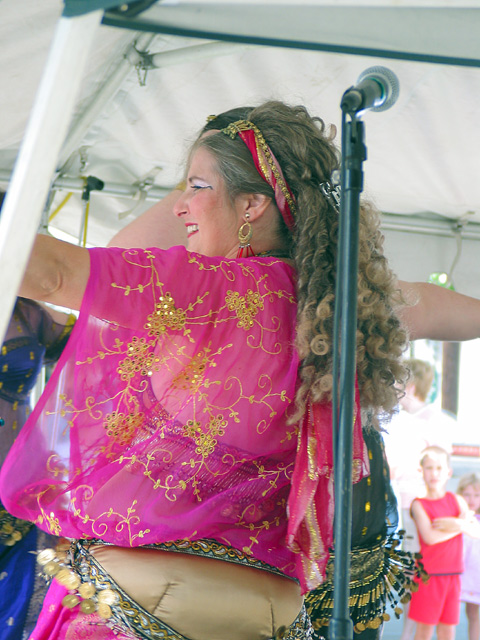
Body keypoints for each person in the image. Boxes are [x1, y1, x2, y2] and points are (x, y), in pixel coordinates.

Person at [2, 101, 480, 640]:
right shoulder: (342, 306)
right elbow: (447, 308)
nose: (182, 205)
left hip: (139, 609)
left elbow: (54, 272)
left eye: (197, 187)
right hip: (262, 614)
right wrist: (231, 164)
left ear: (254, 204)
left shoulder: (203, 288)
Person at [408, 447, 480, 640]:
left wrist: (456, 523)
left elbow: (475, 531)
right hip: (429, 576)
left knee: (448, 631)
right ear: (420, 471)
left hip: (453, 575)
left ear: (448, 472)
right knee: (425, 630)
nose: (434, 473)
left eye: (439, 468)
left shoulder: (457, 500)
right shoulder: (419, 504)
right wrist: (459, 526)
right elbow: (430, 537)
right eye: (429, 468)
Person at [457, 473, 480, 640]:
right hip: (458, 572)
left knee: (473, 613)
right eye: (467, 494)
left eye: (477, 495)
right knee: (447, 611)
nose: (472, 499)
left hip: (476, 574)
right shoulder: (457, 518)